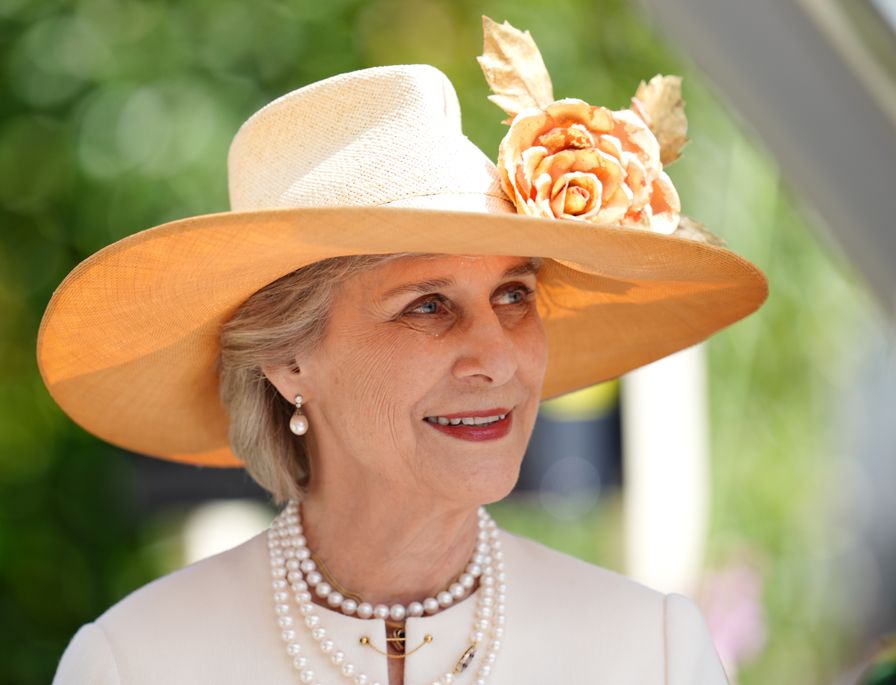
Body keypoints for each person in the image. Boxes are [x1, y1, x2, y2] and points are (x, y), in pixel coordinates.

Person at [38, 19, 767, 685]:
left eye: (513, 295)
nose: (497, 356)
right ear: (289, 359)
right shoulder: (137, 662)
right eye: (428, 305)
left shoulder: (651, 652)